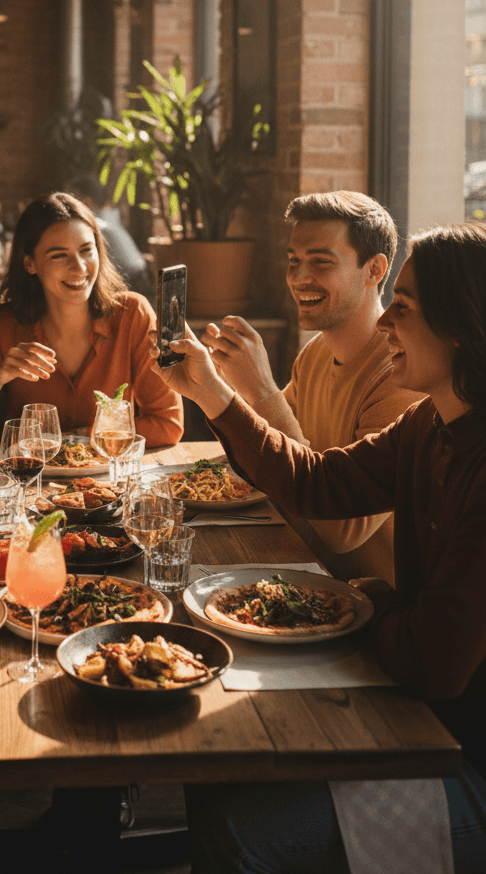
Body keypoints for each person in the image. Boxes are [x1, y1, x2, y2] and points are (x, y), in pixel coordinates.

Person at [150, 222, 486, 872]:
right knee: (212, 766)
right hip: (414, 713)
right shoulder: (428, 421)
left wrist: (368, 602)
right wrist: (215, 395)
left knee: (238, 827)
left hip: (458, 749)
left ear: (460, 327)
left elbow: (436, 662)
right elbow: (320, 482)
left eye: (405, 308)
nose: (385, 321)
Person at [201, 191, 420, 582]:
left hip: (365, 608)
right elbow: (266, 455)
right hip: (297, 569)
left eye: (320, 262)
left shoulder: (403, 376)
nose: (300, 278)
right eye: (294, 261)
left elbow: (340, 531)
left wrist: (261, 388)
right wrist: (212, 381)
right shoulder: (315, 353)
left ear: (375, 270)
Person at [0, 191, 182, 450]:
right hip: (31, 484)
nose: (79, 268)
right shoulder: (3, 323)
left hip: (112, 483)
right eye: (59, 255)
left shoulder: (133, 314)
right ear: (30, 264)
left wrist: (78, 437)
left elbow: (168, 424)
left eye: (87, 250)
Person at [67, 174, 153, 298]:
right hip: (140, 278)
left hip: (130, 286)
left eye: (70, 200)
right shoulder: (111, 221)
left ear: (86, 202)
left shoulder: (95, 227)